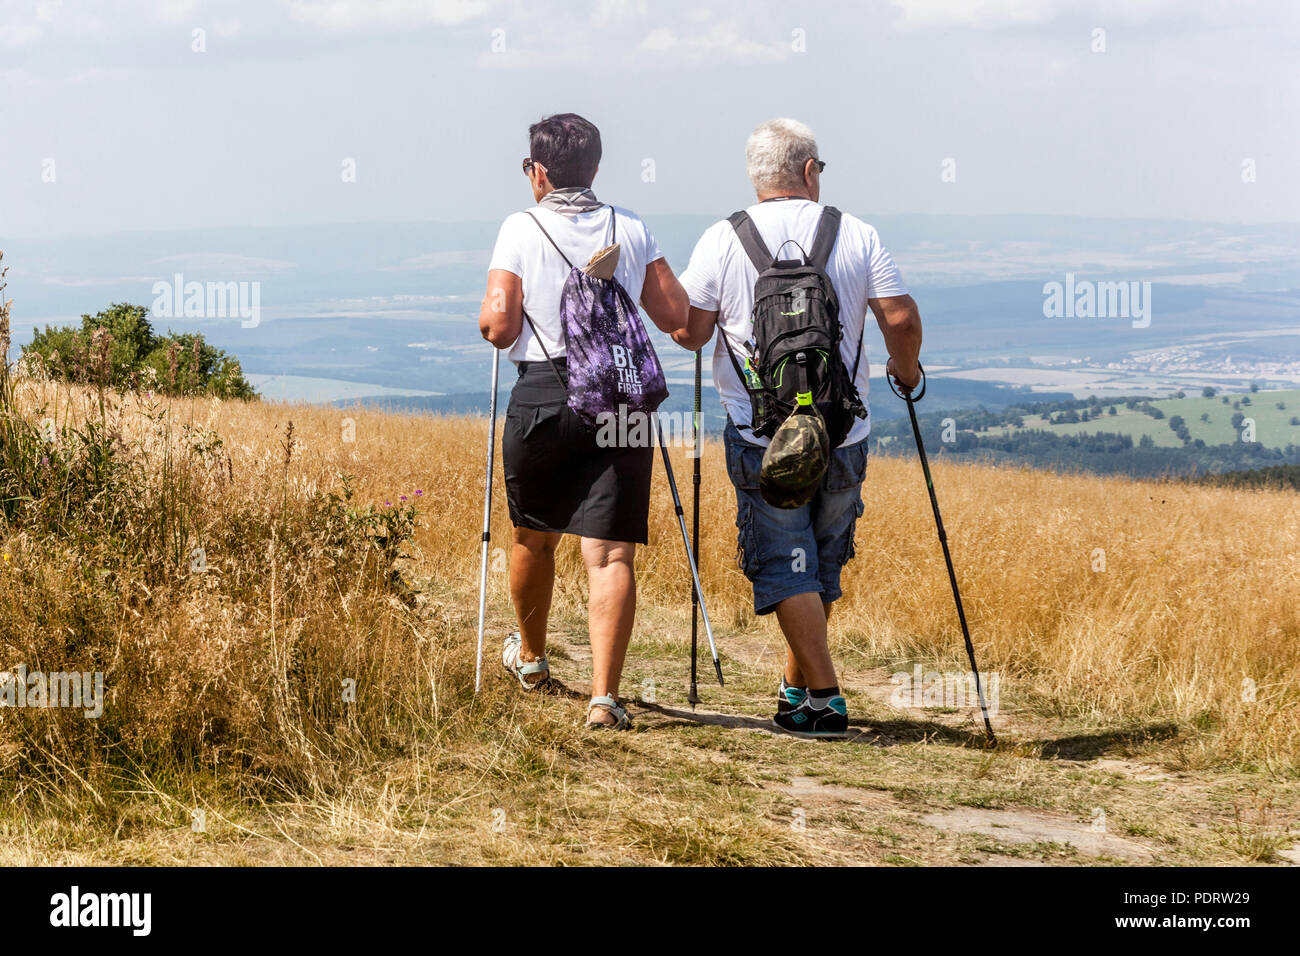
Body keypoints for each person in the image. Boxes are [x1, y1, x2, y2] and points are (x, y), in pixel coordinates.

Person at [672, 118, 923, 738]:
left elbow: (691, 333)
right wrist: (905, 370)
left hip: (762, 436)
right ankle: (810, 695)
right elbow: (900, 316)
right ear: (809, 171)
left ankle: (818, 696)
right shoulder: (856, 233)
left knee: (790, 566)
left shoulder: (723, 238)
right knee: (820, 566)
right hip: (844, 433)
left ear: (756, 176)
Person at [478, 113, 689, 730]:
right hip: (619, 399)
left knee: (532, 537)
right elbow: (675, 314)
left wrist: (491, 321)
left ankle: (535, 659)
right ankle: (605, 698)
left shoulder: (520, 228)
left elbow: (500, 326)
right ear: (595, 168)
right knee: (611, 554)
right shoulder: (632, 227)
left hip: (545, 396)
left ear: (538, 173)